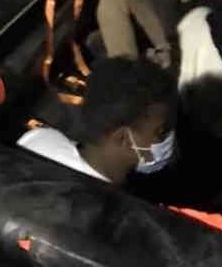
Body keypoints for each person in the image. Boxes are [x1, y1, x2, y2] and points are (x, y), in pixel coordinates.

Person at [17, 55, 175, 187]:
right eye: (160, 132)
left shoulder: (40, 140)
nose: (170, 138)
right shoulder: (115, 209)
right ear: (124, 139)